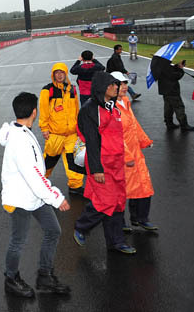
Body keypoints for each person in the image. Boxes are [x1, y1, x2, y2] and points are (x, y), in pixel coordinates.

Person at [0, 92, 71, 298]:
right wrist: (57, 198)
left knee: (53, 230)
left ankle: (44, 275)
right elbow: (35, 176)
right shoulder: (20, 140)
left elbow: (35, 175)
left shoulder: (21, 130)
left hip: (33, 196)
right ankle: (11, 279)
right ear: (34, 111)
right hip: (19, 198)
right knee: (18, 241)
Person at [73, 72, 136, 255]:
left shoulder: (112, 107)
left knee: (117, 204)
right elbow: (92, 141)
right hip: (101, 164)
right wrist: (96, 169)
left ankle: (116, 242)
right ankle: (81, 227)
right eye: (113, 84)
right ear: (102, 86)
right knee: (105, 202)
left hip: (116, 165)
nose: (117, 87)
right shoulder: (91, 109)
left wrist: (125, 158)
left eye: (117, 85)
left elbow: (116, 138)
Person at [112, 72, 158, 232]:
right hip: (121, 156)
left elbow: (134, 125)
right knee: (123, 190)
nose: (124, 87)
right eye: (120, 84)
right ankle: (121, 222)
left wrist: (144, 140)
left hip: (135, 153)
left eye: (125, 83)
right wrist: (127, 156)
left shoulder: (125, 101)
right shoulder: (110, 108)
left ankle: (141, 218)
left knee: (144, 185)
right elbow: (114, 137)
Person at [39, 63, 84, 196]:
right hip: (54, 135)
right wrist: (44, 128)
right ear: (53, 75)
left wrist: (79, 127)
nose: (59, 75)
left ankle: (75, 186)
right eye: (57, 73)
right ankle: (39, 183)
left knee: (73, 161)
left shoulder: (72, 90)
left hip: (71, 134)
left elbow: (77, 109)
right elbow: (43, 111)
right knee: (49, 161)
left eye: (62, 72)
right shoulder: (47, 90)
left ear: (65, 74)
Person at [157, 59, 194, 131]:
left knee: (168, 108)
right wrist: (180, 69)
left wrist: (177, 66)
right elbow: (175, 76)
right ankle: (184, 125)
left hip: (165, 91)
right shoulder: (166, 68)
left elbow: (171, 69)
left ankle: (169, 124)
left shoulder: (161, 66)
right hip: (172, 91)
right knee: (179, 107)